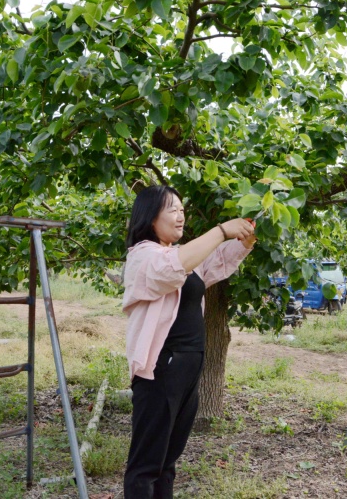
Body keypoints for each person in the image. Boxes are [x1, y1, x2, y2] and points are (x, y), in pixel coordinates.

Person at [122, 185, 256, 498]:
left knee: (168, 461)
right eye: (172, 209)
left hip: (187, 369)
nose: (180, 215)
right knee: (146, 465)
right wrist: (222, 230)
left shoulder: (178, 256)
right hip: (160, 369)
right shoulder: (143, 257)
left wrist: (243, 241)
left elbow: (214, 264)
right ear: (150, 217)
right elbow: (173, 269)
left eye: (182, 209)